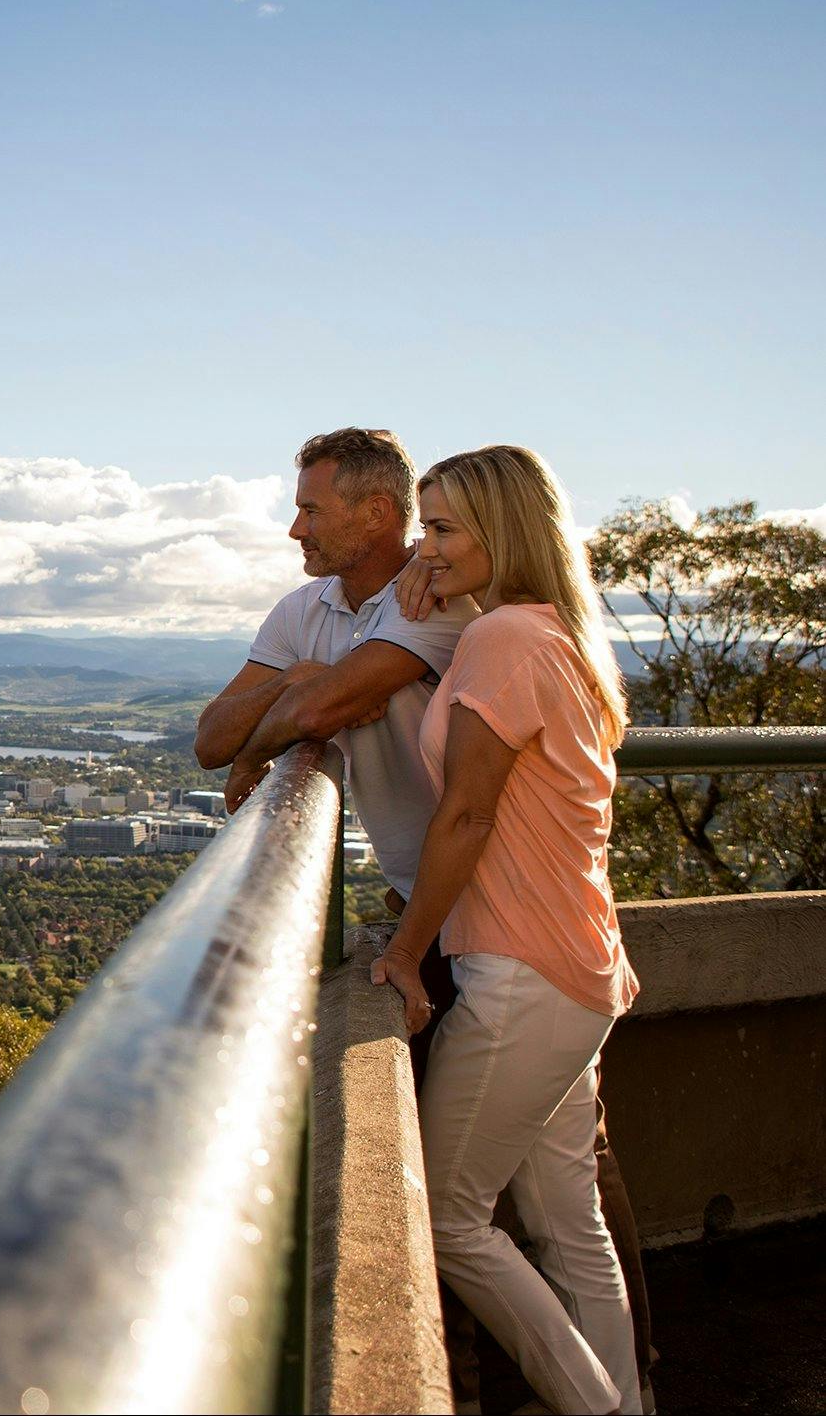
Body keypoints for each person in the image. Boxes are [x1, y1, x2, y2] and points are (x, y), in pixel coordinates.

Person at [372, 445, 642, 1415]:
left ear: (504, 532)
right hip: (578, 967)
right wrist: (433, 589)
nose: (423, 545)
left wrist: (404, 954)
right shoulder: (551, 634)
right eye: (421, 525)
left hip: (520, 972)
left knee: (443, 1220)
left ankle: (599, 1408)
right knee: (570, 1226)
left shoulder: (503, 645)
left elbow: (467, 816)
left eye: (442, 528)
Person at [196, 428, 472, 901]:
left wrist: (251, 758)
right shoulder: (301, 610)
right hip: (418, 891)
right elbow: (209, 741)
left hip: (482, 887)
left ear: (376, 512)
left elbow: (314, 713)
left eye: (312, 511)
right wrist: (293, 679)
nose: (296, 529)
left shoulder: (435, 598)